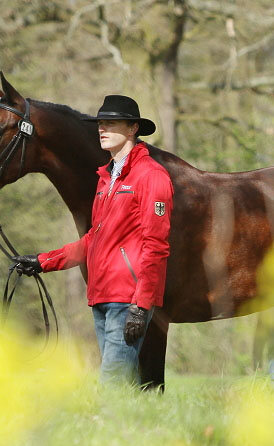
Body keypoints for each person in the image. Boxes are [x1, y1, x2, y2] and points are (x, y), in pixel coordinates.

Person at [13, 95, 174, 386]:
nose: (102, 129)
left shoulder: (152, 176)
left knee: (111, 384)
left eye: (111, 123)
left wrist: (142, 303)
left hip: (127, 299)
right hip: (101, 297)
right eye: (100, 123)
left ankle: (104, 429)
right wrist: (42, 261)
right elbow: (94, 239)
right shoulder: (105, 180)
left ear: (132, 128)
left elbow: (157, 244)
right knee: (125, 385)